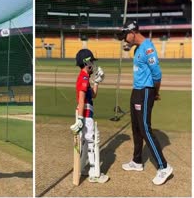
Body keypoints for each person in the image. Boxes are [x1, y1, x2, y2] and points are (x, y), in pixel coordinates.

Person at [117, 20, 173, 185]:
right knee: (135, 127)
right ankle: (137, 161)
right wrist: (131, 46)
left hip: (146, 92)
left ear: (133, 32)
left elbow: (157, 75)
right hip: (136, 91)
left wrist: (155, 93)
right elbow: (140, 62)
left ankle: (164, 167)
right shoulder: (138, 48)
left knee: (145, 128)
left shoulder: (148, 48)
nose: (124, 40)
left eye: (125, 37)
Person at [70, 49, 108, 183]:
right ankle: (94, 173)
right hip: (85, 115)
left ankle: (84, 168)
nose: (93, 64)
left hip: (86, 115)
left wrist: (97, 81)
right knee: (92, 141)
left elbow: (93, 95)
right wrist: (80, 119)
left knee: (86, 142)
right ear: (87, 63)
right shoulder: (83, 78)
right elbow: (81, 99)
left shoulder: (85, 78)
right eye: (91, 61)